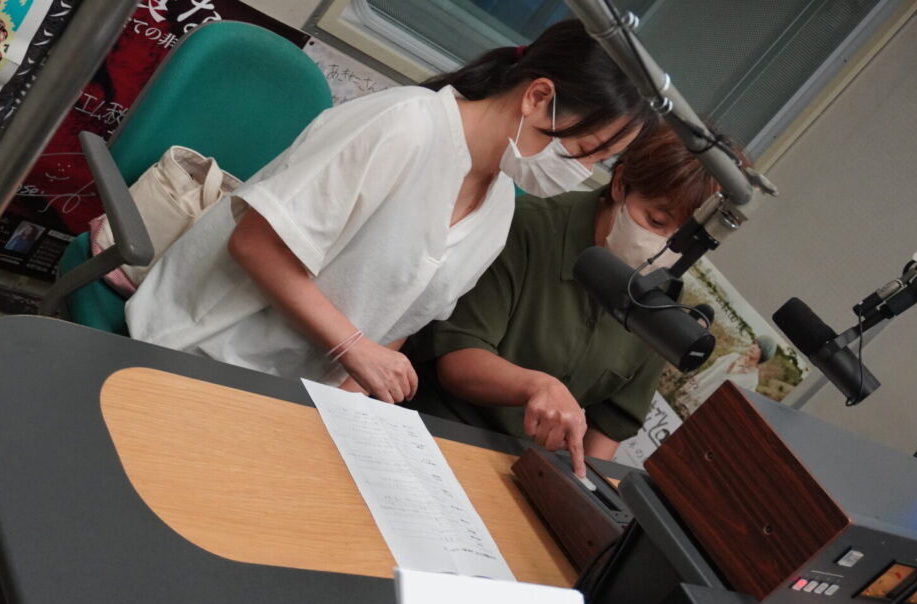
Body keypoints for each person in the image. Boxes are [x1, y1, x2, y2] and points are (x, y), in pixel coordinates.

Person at [125, 20, 655, 404]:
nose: (583, 172)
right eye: (586, 150)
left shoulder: (497, 207)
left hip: (285, 398)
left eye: (602, 161)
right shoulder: (403, 126)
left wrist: (347, 401)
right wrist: (355, 349)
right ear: (537, 97)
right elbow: (255, 244)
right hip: (194, 352)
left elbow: (400, 318)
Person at [404, 122, 748, 476]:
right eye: (656, 220)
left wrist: (583, 486)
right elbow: (457, 360)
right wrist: (538, 386)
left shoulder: (663, 296)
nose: (664, 247)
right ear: (620, 183)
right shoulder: (530, 228)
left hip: (531, 471)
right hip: (437, 437)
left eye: (684, 239)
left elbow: (611, 422)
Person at [683, 336, 777, 411]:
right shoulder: (733, 356)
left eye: (759, 346)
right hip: (690, 395)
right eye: (754, 343)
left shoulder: (752, 380)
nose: (753, 346)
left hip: (705, 409)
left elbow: (736, 403)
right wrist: (688, 386)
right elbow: (710, 371)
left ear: (764, 354)